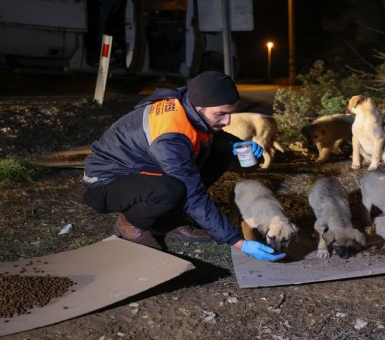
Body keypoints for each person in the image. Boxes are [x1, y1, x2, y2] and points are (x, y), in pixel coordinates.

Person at [82, 71, 285, 261]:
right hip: (106, 181)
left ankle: (166, 220)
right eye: (221, 114)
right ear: (200, 108)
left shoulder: (190, 104)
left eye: (231, 113)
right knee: (172, 189)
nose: (227, 121)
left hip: (141, 168)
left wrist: (234, 145)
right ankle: (131, 222)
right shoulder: (170, 135)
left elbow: (209, 134)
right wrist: (237, 241)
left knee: (218, 155)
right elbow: (192, 193)